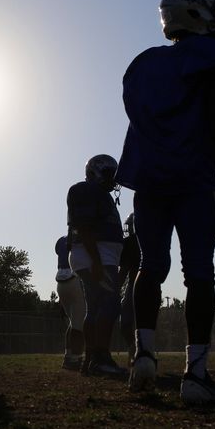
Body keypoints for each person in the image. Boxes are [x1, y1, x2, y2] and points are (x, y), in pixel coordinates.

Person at [115, 0, 215, 404]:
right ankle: (195, 372)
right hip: (194, 179)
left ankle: (143, 356)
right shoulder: (212, 56)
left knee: (149, 265)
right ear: (197, 12)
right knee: (199, 272)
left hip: (149, 181)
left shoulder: (144, 63)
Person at [66, 154, 127, 378]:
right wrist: (97, 261)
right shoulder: (85, 190)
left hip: (97, 255)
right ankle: (100, 358)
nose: (113, 179)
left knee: (95, 307)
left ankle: (91, 359)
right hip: (94, 256)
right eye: (109, 173)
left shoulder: (99, 194)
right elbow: (83, 226)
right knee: (110, 305)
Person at [55, 234, 85, 371]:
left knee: (73, 323)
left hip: (60, 283)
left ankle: (68, 356)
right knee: (78, 325)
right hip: (74, 279)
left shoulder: (61, 240)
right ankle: (76, 359)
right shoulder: (80, 237)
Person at [119, 214, 140, 366]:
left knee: (126, 322)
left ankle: (134, 350)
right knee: (142, 323)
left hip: (134, 284)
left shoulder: (129, 243)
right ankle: (140, 351)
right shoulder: (148, 239)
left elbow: (124, 270)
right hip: (149, 286)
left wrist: (116, 287)